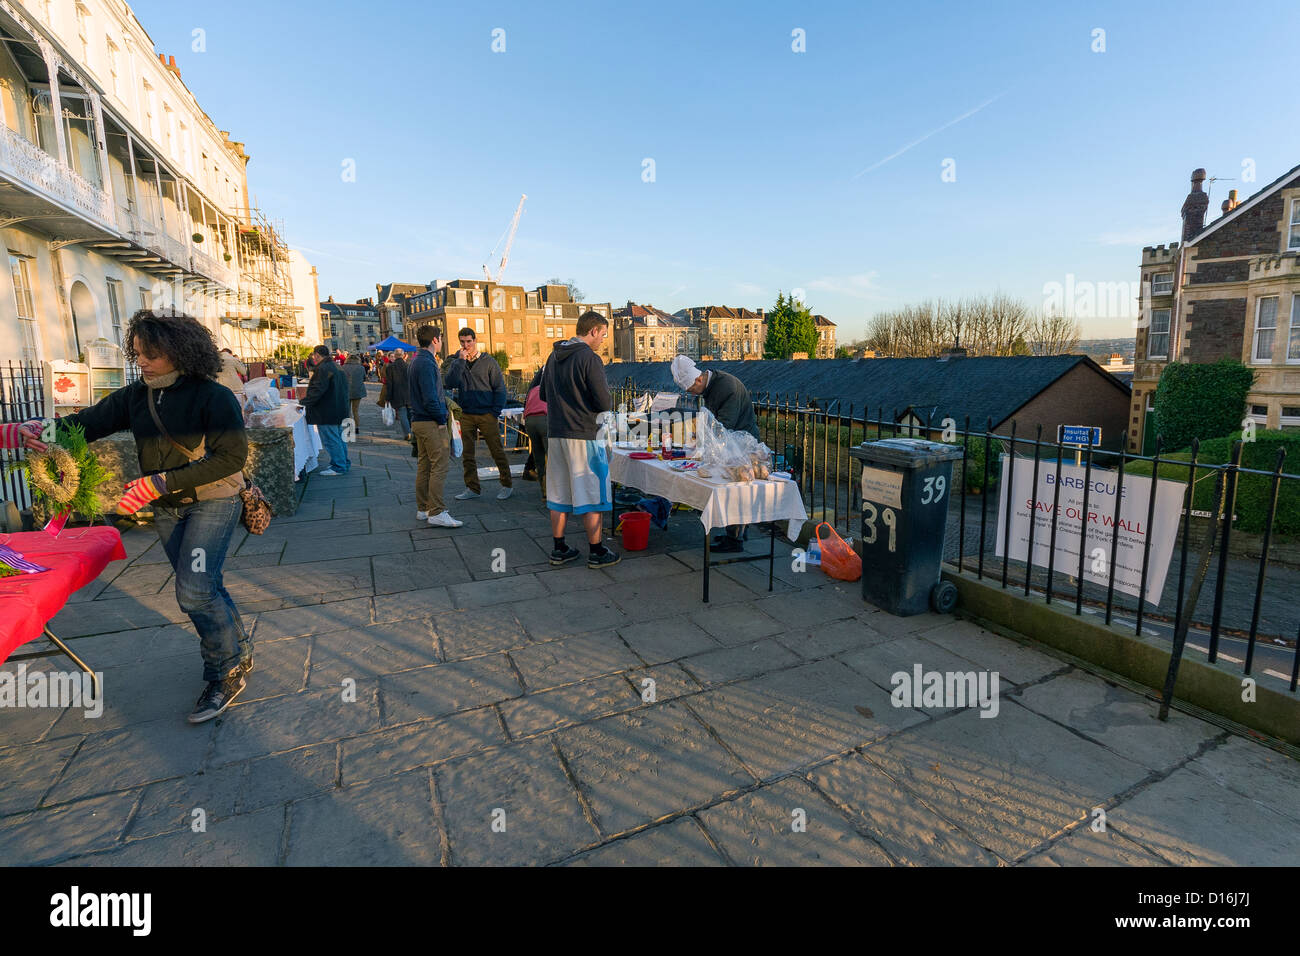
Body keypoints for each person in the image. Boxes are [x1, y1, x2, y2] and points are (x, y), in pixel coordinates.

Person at [9, 311, 253, 723]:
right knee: (203, 586)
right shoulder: (135, 395)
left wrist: (158, 484)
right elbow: (84, 425)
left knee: (193, 591)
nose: (141, 361)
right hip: (168, 507)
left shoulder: (212, 395)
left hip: (212, 499)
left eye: (151, 354)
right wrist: (39, 431)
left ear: (180, 353)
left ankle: (223, 673)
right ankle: (237, 651)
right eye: (137, 352)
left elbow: (232, 457)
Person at [539, 310, 619, 569]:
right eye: (603, 335)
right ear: (593, 330)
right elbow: (604, 401)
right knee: (591, 492)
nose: (603, 341)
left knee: (559, 491)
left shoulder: (553, 357)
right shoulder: (589, 358)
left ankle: (559, 548)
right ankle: (596, 551)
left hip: (557, 432)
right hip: (585, 433)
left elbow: (542, 394)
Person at [672, 355, 760, 552]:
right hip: (731, 443)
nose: (692, 394)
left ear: (699, 379)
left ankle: (736, 539)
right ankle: (734, 533)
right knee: (729, 489)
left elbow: (723, 426)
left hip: (742, 444)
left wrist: (703, 443)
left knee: (735, 490)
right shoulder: (711, 386)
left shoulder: (726, 387)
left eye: (692, 390)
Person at [444, 328, 513, 502]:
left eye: (469, 341)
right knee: (467, 454)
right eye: (462, 342)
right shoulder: (458, 362)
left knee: (496, 450)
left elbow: (500, 389)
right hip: (466, 413)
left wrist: (494, 412)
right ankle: (472, 487)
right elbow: (450, 382)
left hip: (486, 414)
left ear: (475, 340)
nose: (466, 345)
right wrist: (460, 361)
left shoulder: (489, 362)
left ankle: (507, 485)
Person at [409, 325, 462, 528]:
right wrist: (441, 420)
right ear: (434, 340)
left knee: (425, 466)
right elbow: (430, 397)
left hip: (419, 420)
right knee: (440, 465)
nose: (441, 340)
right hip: (430, 422)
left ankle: (423, 508)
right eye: (440, 337)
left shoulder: (416, 360)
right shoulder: (427, 363)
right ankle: (437, 511)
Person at [302, 344, 351, 475]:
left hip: (327, 410)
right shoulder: (336, 366)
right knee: (339, 439)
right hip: (339, 408)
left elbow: (317, 391)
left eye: (314, 356)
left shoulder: (323, 368)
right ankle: (343, 463)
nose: (314, 358)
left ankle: (339, 466)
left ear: (317, 355)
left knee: (331, 440)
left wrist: (303, 403)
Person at [522, 366, 548, 497]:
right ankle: (554, 494)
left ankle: (544, 493)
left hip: (530, 421)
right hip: (545, 420)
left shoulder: (533, 389)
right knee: (551, 458)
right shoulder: (551, 386)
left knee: (539, 457)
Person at [382, 348, 412, 440]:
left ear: (395, 355)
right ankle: (412, 431)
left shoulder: (390, 367)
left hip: (397, 394)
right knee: (410, 414)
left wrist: (388, 397)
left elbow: (389, 384)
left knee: (402, 414)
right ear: (403, 355)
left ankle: (408, 433)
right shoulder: (408, 366)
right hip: (409, 394)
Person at [342, 350, 367, 435]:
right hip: (357, 391)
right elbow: (364, 378)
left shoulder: (343, 367)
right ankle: (356, 427)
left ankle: (350, 428)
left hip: (346, 391)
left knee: (347, 411)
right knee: (355, 410)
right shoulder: (361, 368)